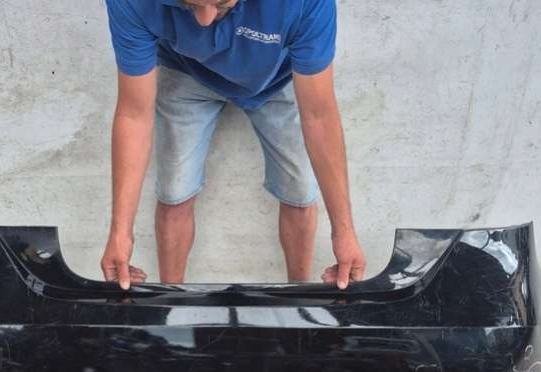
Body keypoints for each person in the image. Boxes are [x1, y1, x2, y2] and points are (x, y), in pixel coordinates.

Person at [101, 0, 367, 289]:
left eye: (221, 4)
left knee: (300, 191)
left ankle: (298, 296)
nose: (204, 21)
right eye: (190, 5)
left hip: (276, 78)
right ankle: (173, 298)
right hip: (186, 70)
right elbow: (134, 115)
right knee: (174, 192)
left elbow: (319, 116)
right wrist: (119, 234)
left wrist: (344, 232)